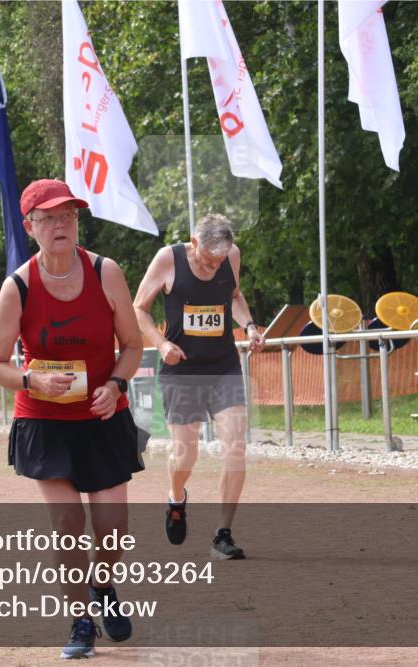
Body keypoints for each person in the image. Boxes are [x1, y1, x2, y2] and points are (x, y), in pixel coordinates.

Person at [0, 179, 144, 659]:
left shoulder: (105, 272)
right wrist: (32, 381)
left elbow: (133, 346)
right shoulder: (18, 287)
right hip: (44, 422)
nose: (61, 225)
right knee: (69, 521)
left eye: (68, 216)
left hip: (103, 417)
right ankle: (80, 620)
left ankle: (102, 585)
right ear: (30, 227)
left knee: (113, 528)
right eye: (49, 218)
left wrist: (115, 385)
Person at [133, 214, 265, 560]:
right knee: (186, 452)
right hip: (182, 369)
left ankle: (223, 534)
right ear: (194, 242)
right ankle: (176, 498)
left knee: (236, 446)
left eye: (220, 259)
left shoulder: (230, 256)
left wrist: (249, 326)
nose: (214, 265)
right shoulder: (168, 259)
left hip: (223, 366)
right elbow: (139, 309)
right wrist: (162, 344)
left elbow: (234, 296)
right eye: (208, 258)